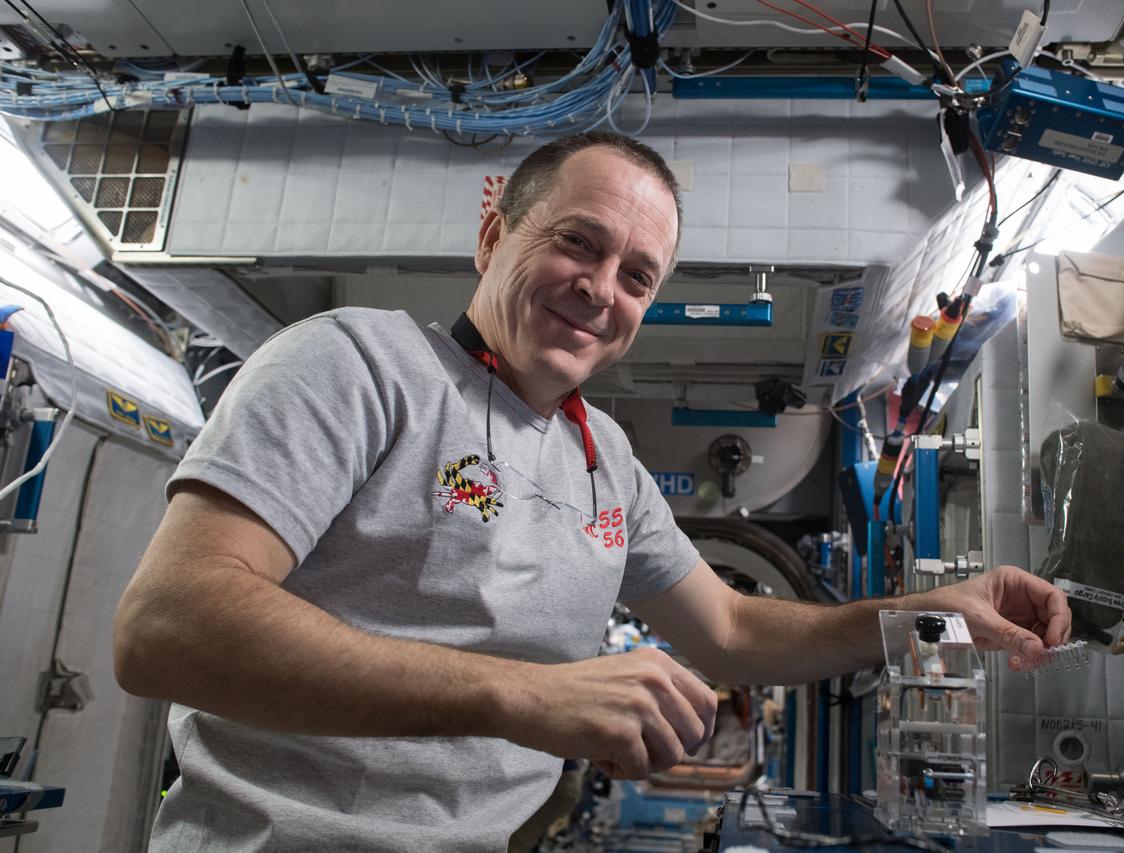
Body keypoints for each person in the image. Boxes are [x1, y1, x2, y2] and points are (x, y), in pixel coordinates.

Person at [113, 130, 1071, 852]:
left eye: (637, 275)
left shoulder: (604, 460)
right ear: (494, 234)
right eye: (579, 242)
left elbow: (733, 632)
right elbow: (167, 625)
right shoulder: (358, 365)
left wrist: (928, 613)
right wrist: (520, 696)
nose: (601, 288)